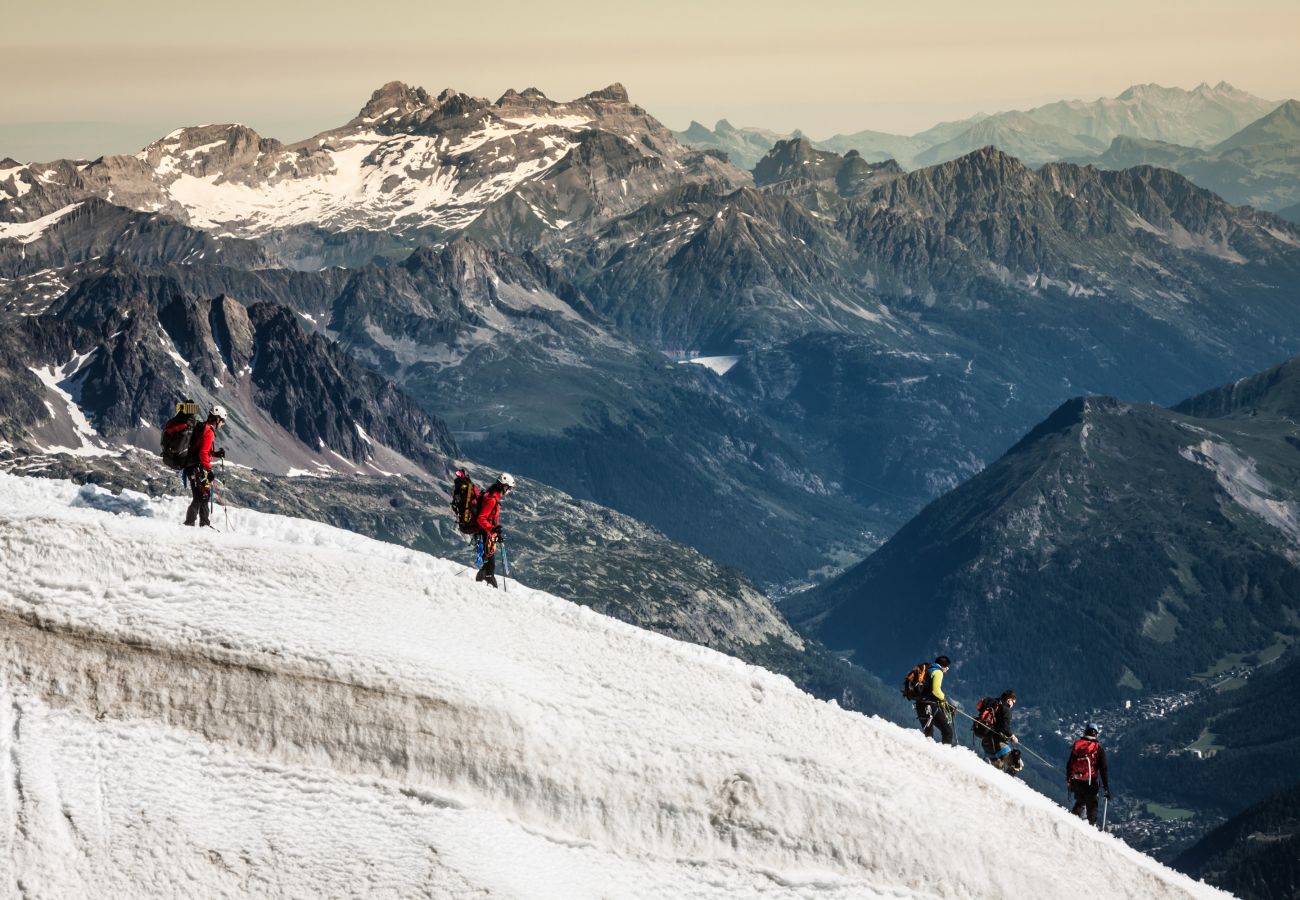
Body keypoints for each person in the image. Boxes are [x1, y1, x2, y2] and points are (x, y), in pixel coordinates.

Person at [184, 405, 226, 528]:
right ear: (217, 419)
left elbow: (202, 450)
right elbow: (202, 453)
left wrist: (216, 454)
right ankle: (190, 523)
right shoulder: (209, 431)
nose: (222, 424)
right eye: (222, 421)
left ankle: (204, 523)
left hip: (192, 467)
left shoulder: (202, 427)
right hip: (198, 469)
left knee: (203, 495)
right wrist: (208, 469)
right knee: (200, 496)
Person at [473, 472, 516, 588]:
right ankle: (490, 584)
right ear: (504, 486)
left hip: (486, 534)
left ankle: (479, 582)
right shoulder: (492, 499)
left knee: (488, 562)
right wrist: (493, 528)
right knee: (490, 564)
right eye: (509, 488)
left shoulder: (491, 495)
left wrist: (495, 531)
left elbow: (491, 519)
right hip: (485, 535)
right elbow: (481, 518)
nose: (509, 491)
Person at [1067, 724, 1110, 828]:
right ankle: (1092, 828)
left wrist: (1069, 780)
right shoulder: (1098, 749)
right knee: (1092, 807)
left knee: (1079, 802)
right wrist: (1106, 788)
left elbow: (1069, 764)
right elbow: (1103, 769)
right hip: (1091, 782)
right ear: (1096, 734)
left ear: (1085, 732)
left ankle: (1069, 823)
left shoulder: (1078, 745)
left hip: (1077, 780)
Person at [916, 655, 956, 745]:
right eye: (947, 667)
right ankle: (944, 754)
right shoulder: (938, 672)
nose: (947, 670)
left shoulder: (927, 669)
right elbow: (936, 691)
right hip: (930, 706)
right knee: (947, 731)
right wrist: (945, 700)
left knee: (928, 734)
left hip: (919, 705)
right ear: (943, 666)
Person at [984, 690, 1024, 775]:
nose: (1013, 705)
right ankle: (1006, 783)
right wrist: (1012, 736)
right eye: (1013, 702)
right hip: (998, 743)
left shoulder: (994, 704)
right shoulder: (1006, 709)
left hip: (986, 741)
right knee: (1018, 764)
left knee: (997, 768)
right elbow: (1005, 728)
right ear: (1009, 699)